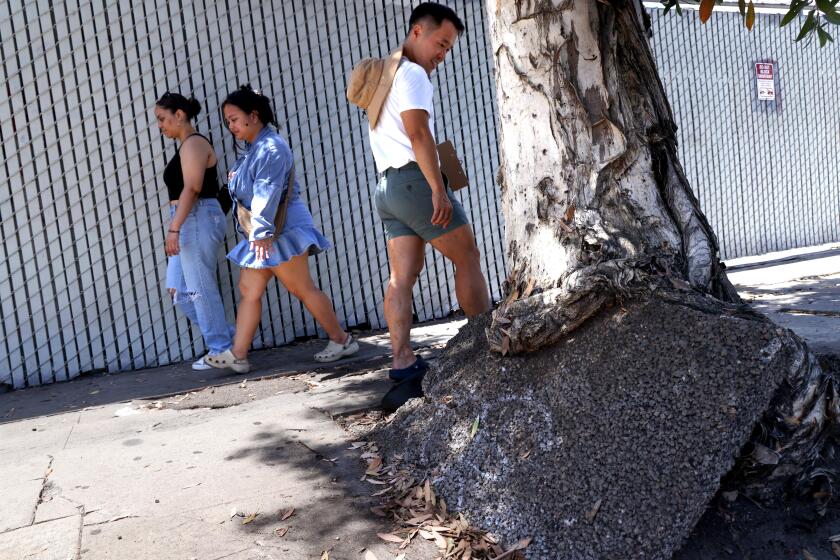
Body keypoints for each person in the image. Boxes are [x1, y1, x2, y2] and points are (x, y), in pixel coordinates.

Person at [367, 3, 490, 382]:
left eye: (449, 48)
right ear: (417, 31)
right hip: (415, 180)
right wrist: (438, 187)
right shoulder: (414, 74)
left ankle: (401, 363)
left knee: (401, 278)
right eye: (441, 43)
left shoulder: (385, 77)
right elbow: (418, 134)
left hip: (387, 187)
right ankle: (487, 347)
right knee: (467, 255)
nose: (442, 54)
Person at [206, 86, 358, 373]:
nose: (231, 126)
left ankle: (342, 339)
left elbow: (267, 191)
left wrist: (261, 232)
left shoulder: (271, 147)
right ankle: (238, 354)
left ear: (254, 115)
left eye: (234, 119)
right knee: (249, 288)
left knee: (300, 287)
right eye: (228, 121)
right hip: (267, 232)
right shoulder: (256, 149)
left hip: (278, 230)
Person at [155, 92, 234, 370]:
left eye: (162, 119)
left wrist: (174, 228)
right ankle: (232, 342)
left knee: (199, 288)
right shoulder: (185, 146)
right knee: (180, 291)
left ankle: (221, 349)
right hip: (187, 217)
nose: (160, 125)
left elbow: (193, 187)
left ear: (179, 114)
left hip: (196, 216)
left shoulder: (194, 143)